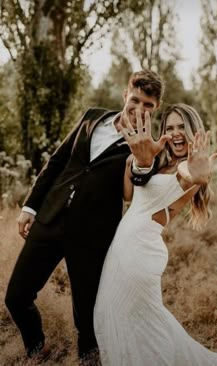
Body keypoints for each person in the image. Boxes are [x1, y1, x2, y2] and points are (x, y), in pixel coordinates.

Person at [5, 69, 171, 363]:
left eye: (148, 104)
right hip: (50, 218)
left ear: (155, 108)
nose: (139, 109)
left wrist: (142, 163)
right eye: (136, 100)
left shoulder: (146, 147)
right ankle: (37, 348)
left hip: (93, 236)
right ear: (125, 94)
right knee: (16, 297)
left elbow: (135, 186)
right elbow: (57, 161)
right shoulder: (92, 116)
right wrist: (30, 207)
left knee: (88, 316)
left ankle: (89, 358)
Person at [94, 103, 217, 366]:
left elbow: (189, 175)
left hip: (140, 251)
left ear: (193, 130)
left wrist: (197, 173)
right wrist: (136, 159)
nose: (176, 132)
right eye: (170, 128)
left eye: (182, 126)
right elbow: (128, 195)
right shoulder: (159, 162)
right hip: (122, 248)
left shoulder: (187, 168)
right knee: (113, 314)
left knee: (141, 325)